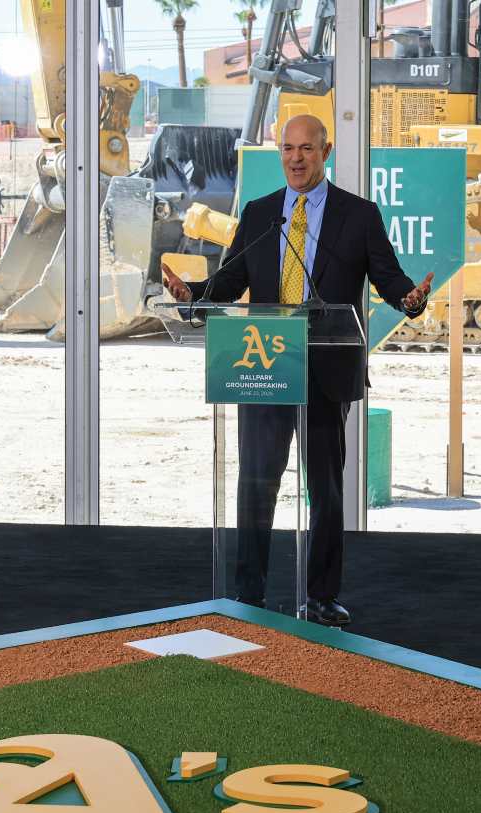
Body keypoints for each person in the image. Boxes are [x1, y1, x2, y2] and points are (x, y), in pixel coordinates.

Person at [161, 114, 433, 627]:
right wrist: (191, 294)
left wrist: (410, 299)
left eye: (306, 148)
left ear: (325, 152)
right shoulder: (261, 213)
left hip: (326, 372)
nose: (296, 158)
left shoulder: (358, 215)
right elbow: (229, 282)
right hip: (264, 366)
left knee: (325, 491)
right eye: (287, 148)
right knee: (255, 484)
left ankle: (322, 597)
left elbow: (389, 279)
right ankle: (249, 594)